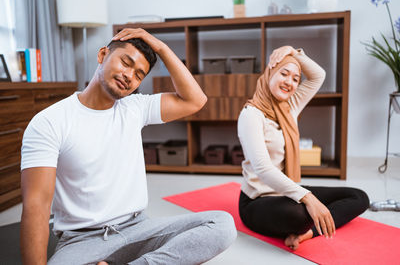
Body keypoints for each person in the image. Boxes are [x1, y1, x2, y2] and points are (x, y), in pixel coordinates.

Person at [20, 28, 237, 265]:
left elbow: (195, 100)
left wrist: (161, 47)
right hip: (81, 242)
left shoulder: (135, 108)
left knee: (221, 225)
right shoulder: (50, 121)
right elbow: (36, 207)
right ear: (102, 55)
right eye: (126, 62)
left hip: (138, 228)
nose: (129, 76)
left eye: (139, 74)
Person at [237, 45, 369, 251]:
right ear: (270, 72)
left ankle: (307, 233)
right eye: (284, 73)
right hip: (257, 200)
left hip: (287, 192)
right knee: (301, 214)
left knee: (359, 197)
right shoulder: (251, 115)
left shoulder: (290, 107)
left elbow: (318, 75)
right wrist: (308, 198)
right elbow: (263, 168)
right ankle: (306, 223)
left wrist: (293, 52)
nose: (289, 82)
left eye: (296, 78)